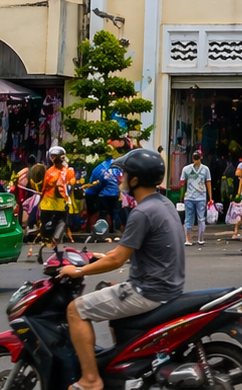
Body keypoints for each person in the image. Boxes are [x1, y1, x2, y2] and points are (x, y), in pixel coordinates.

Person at [57, 149, 182, 390]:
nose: (120, 177)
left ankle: (91, 380)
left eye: (124, 173)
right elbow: (131, 251)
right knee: (108, 288)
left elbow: (118, 260)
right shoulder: (163, 203)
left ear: (135, 180)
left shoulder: (142, 212)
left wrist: (78, 271)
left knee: (75, 310)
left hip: (148, 291)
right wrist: (102, 256)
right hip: (167, 286)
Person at [39, 146, 75, 248]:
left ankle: (48, 240)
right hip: (60, 204)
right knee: (62, 221)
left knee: (47, 223)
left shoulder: (49, 172)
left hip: (48, 204)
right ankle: (55, 239)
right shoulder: (69, 171)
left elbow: (43, 188)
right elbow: (72, 183)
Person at [180, 150, 211, 246]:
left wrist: (211, 198)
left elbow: (208, 182)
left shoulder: (205, 169)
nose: (196, 160)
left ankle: (201, 237)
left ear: (201, 158)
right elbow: (182, 184)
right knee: (189, 218)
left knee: (201, 218)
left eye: (197, 158)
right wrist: (182, 196)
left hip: (201, 197)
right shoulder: (186, 169)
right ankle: (187, 238)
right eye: (194, 158)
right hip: (189, 197)